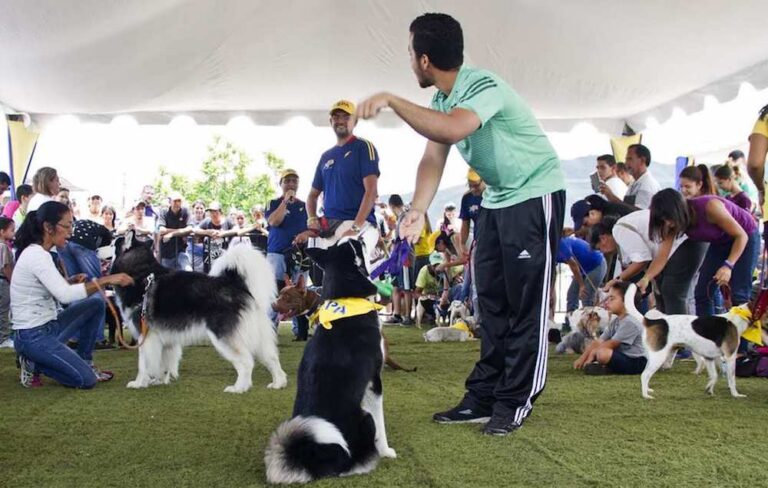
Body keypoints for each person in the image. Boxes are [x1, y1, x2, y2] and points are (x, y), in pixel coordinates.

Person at [358, 13, 566, 435]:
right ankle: (484, 396)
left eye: (411, 54)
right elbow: (433, 157)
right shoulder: (440, 100)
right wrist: (417, 208)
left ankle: (514, 400)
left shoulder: (482, 86)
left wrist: (392, 100)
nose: (410, 61)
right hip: (495, 202)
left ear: (425, 61)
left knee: (525, 306)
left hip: (534, 195)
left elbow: (454, 131)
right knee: (490, 305)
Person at [12, 201, 133, 388]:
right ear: (48, 227)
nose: (71, 232)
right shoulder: (37, 255)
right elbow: (65, 296)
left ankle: (83, 360)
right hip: (32, 335)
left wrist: (69, 281)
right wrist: (107, 280)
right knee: (86, 381)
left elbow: (55, 289)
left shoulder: (41, 253)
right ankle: (35, 361)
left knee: (95, 304)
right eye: (67, 226)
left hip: (49, 328)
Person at [642, 189, 759, 316]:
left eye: (669, 219)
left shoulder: (710, 206)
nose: (668, 224)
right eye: (664, 220)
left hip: (745, 237)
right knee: (703, 293)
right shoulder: (672, 224)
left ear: (678, 210)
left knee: (739, 295)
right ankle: (707, 333)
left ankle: (742, 335)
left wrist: (728, 265)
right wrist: (646, 278)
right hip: (720, 242)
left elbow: (741, 236)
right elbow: (662, 257)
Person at [301, 100, 380, 270]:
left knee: (356, 276)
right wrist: (312, 218)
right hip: (331, 227)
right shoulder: (325, 156)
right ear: (330, 122)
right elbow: (312, 196)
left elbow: (371, 191)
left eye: (346, 116)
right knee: (331, 282)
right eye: (336, 117)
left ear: (355, 121)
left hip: (360, 224)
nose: (340, 120)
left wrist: (355, 227)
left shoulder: (364, 147)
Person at [265, 169, 309, 338]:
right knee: (275, 291)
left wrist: (305, 235)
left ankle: (301, 331)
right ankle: (269, 331)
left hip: (299, 253)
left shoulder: (305, 206)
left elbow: (312, 228)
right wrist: (285, 202)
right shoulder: (273, 203)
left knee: (299, 290)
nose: (291, 184)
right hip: (277, 252)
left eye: (294, 181)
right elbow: (274, 221)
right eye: (287, 180)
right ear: (281, 183)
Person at [573, 281, 646, 375]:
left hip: (637, 361)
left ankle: (607, 368)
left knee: (603, 353)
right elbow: (599, 341)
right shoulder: (616, 321)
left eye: (612, 299)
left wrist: (592, 354)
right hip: (623, 356)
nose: (607, 302)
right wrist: (582, 359)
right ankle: (604, 367)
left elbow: (611, 344)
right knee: (598, 350)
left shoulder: (630, 322)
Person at [383, 194, 415, 326]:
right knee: (396, 286)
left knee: (406, 287)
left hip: (405, 256)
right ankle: (397, 314)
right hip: (397, 257)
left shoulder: (405, 217)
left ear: (392, 206)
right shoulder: (400, 218)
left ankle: (407, 316)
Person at [558, 235, 606, 313]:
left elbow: (573, 265)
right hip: (583, 268)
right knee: (572, 294)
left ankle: (589, 322)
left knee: (586, 297)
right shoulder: (551, 248)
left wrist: (581, 285)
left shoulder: (561, 244)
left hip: (596, 265)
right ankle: (570, 321)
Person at [603, 144, 660, 209]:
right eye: (626, 159)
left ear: (642, 160)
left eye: (629, 159)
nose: (626, 163)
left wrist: (612, 197)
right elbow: (627, 206)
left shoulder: (647, 184)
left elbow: (639, 213)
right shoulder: (634, 183)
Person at [157, 192, 193, 270]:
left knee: (188, 270)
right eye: (175, 201)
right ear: (170, 202)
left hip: (181, 250)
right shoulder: (164, 212)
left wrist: (171, 234)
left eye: (179, 201)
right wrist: (182, 231)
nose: (177, 203)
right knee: (168, 278)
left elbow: (190, 229)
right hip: (167, 252)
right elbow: (162, 230)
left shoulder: (185, 211)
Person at [0, 217, 15, 348]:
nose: (13, 233)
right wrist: (13, 281)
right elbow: (6, 267)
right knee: (4, 310)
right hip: (4, 282)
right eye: (12, 230)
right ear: (2, 231)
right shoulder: (3, 247)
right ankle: (4, 338)